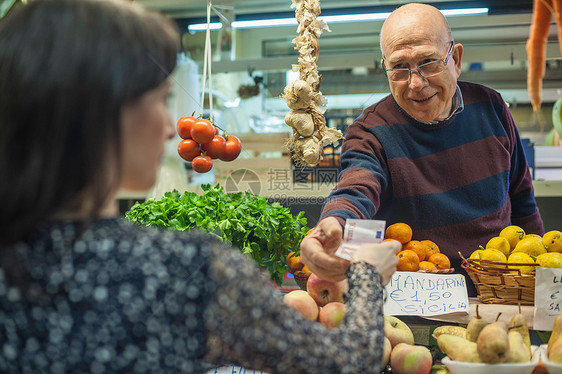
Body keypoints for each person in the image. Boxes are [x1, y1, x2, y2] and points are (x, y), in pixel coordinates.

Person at [0, 1, 401, 373]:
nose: (166, 127)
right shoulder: (188, 270)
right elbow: (349, 361)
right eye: (160, 99)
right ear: (100, 116)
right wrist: (366, 275)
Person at [301, 3, 545, 289]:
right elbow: (357, 188)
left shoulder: (492, 109)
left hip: (497, 289)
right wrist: (333, 224)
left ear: (455, 59)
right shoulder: (370, 131)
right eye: (400, 68)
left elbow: (523, 203)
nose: (416, 83)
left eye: (428, 63)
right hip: (415, 299)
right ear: (385, 69)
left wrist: (539, 284)